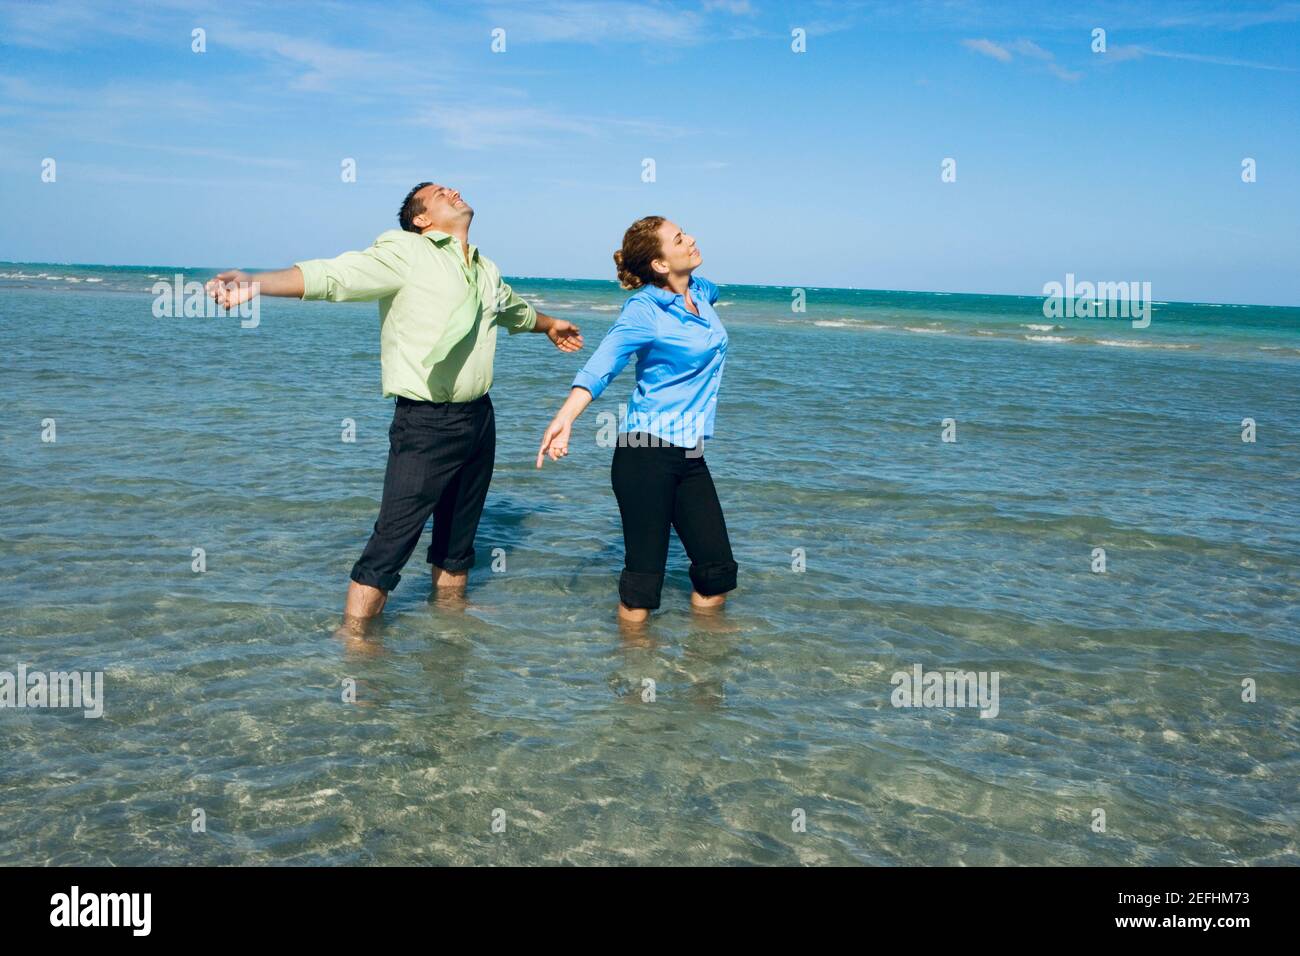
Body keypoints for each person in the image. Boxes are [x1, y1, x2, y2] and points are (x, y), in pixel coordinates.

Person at [206, 182, 583, 624]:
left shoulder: (485, 268)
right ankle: (356, 644)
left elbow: (512, 310)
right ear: (421, 219)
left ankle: (450, 629)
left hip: (480, 418)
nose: (453, 191)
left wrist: (551, 324)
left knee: (458, 540)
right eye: (440, 193)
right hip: (425, 422)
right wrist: (258, 281)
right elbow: (336, 276)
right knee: (393, 539)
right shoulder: (404, 251)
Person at [536, 216, 736, 623]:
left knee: (716, 575)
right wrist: (566, 417)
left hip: (690, 455)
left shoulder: (702, 290)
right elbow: (603, 364)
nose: (692, 238)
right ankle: (631, 674)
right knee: (643, 586)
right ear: (660, 264)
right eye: (679, 239)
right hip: (645, 455)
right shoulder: (643, 311)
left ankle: (704, 672)